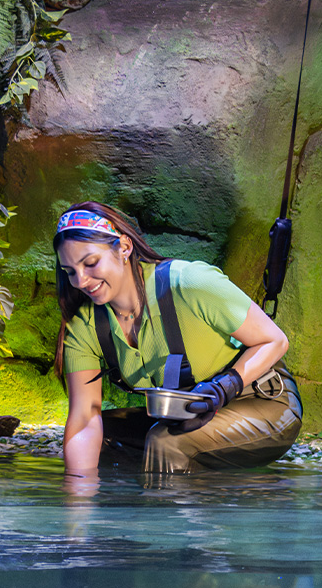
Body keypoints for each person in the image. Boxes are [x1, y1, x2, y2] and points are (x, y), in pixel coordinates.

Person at [54, 202, 301, 478]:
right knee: (104, 436)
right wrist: (78, 505)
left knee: (166, 441)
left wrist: (222, 389)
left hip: (263, 402)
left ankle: (170, 515)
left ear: (124, 247)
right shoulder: (85, 325)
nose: (81, 281)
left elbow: (275, 341)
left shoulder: (188, 282)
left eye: (90, 263)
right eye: (70, 271)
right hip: (187, 410)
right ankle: (138, 511)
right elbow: (85, 419)